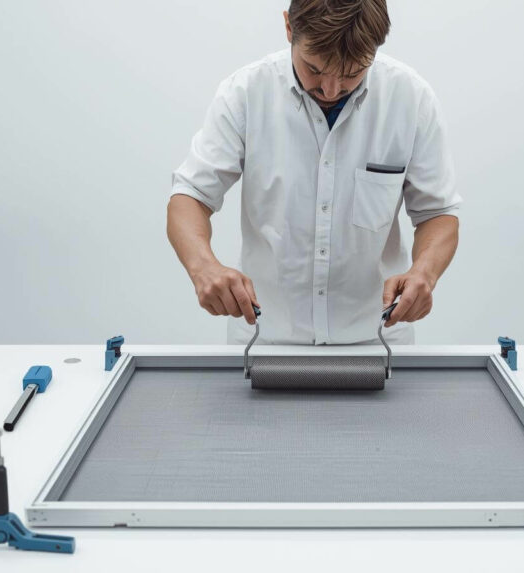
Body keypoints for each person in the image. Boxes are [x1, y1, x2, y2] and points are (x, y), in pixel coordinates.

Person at [167, 0, 460, 345]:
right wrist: (204, 267)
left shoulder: (412, 98)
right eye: (315, 69)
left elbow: (438, 213)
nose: (331, 90)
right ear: (289, 29)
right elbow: (190, 196)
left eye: (352, 73)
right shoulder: (244, 94)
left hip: (378, 341)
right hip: (264, 340)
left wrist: (424, 273)